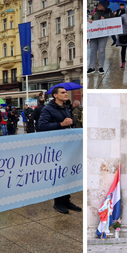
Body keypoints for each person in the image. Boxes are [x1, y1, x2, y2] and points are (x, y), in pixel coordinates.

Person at [38, 86, 81, 214]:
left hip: (68, 145)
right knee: (59, 174)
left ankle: (66, 199)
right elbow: (41, 126)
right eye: (62, 92)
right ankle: (58, 202)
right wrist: (61, 124)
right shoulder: (48, 109)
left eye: (66, 92)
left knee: (67, 173)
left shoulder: (66, 108)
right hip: (56, 147)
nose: (66, 94)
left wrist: (71, 122)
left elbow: (69, 124)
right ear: (55, 95)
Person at [88, 0, 113, 75]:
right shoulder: (95, 12)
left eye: (100, 5)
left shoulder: (109, 13)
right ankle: (91, 67)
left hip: (103, 34)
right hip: (94, 34)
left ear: (104, 6)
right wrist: (90, 21)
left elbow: (113, 23)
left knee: (101, 50)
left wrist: (105, 20)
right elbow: (92, 19)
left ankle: (101, 67)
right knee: (93, 50)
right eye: (98, 5)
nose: (98, 6)